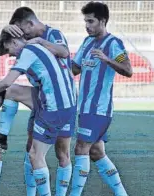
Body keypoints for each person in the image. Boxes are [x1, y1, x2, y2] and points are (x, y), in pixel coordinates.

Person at [0, 7, 76, 196]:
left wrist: (40, 41)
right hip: (45, 97)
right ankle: (2, 137)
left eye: (22, 30)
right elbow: (0, 50)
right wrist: (4, 31)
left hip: (58, 99)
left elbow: (63, 52)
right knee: (32, 148)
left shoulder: (52, 35)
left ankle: (2, 136)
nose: (22, 34)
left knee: (61, 152)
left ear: (30, 23)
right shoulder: (26, 42)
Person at [69, 2, 132, 196]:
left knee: (81, 148)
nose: (87, 25)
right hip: (84, 108)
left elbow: (128, 70)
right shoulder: (87, 42)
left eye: (91, 21)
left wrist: (107, 59)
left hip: (98, 108)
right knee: (96, 153)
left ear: (102, 21)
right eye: (85, 21)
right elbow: (75, 68)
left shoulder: (113, 44)